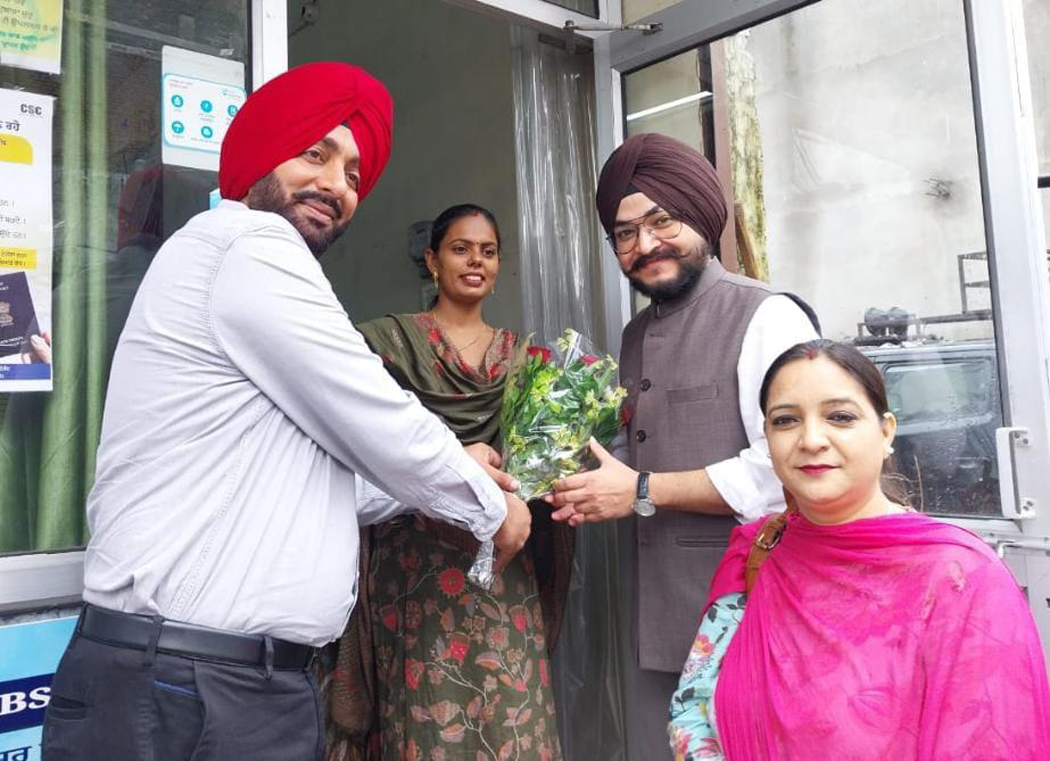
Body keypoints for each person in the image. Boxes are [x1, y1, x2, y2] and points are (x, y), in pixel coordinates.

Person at [41, 63, 530, 760]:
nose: (336, 184)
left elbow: (316, 477)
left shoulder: (236, 263)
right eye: (314, 154)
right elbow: (371, 410)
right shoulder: (250, 244)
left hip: (211, 683)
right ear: (262, 153)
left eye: (354, 173)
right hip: (188, 686)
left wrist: (455, 471)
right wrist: (486, 503)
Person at [546, 132, 819, 759]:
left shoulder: (767, 315)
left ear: (700, 214)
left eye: (662, 221)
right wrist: (561, 468)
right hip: (652, 619)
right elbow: (634, 448)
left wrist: (641, 490)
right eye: (624, 233)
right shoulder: (634, 334)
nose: (645, 245)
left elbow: (788, 470)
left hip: (746, 614)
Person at [669, 339, 1050, 759]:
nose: (811, 439)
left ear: (886, 432)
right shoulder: (759, 552)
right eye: (785, 420)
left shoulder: (960, 579)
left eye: (840, 417)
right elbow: (692, 709)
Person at [318, 204, 568, 761]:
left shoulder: (525, 360)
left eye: (488, 251)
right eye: (460, 249)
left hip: (502, 557)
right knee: (425, 709)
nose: (475, 261)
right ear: (432, 261)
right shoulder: (385, 344)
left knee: (511, 704)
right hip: (413, 560)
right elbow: (357, 443)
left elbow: (539, 461)